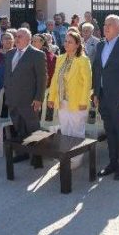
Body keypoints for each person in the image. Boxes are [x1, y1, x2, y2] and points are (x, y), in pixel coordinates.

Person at [92, 15, 119, 181]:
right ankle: (112, 163)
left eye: (110, 25)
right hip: (103, 96)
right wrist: (96, 93)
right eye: (105, 24)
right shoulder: (100, 45)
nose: (106, 27)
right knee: (109, 131)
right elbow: (97, 70)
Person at [47, 31, 92, 168]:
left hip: (78, 102)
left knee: (77, 132)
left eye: (70, 42)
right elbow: (55, 79)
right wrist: (52, 97)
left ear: (77, 45)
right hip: (62, 102)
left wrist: (84, 102)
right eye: (65, 41)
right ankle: (66, 158)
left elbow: (87, 83)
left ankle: (76, 160)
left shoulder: (83, 60)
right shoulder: (60, 58)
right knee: (65, 131)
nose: (66, 44)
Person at [4, 28, 47, 165]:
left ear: (28, 40)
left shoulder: (37, 54)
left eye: (20, 37)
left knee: (33, 129)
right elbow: (8, 75)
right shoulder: (10, 53)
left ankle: (37, 157)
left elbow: (42, 79)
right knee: (19, 129)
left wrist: (38, 98)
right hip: (13, 100)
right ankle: (23, 153)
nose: (16, 39)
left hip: (29, 101)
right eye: (16, 36)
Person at [0, 32, 14, 118]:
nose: (8, 40)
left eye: (10, 38)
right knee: (1, 114)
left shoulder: (18, 53)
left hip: (14, 90)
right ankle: (5, 131)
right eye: (6, 38)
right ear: (1, 41)